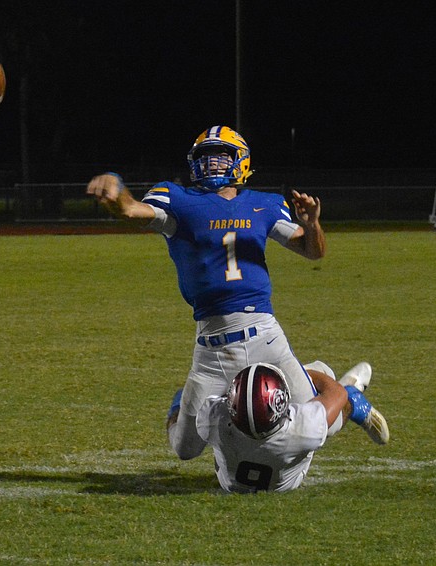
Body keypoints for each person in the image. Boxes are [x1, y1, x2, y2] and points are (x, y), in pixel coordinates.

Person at [86, 125, 327, 461]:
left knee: (319, 422)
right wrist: (115, 186)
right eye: (206, 157)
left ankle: (335, 387)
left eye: (221, 156)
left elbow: (313, 252)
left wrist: (312, 222)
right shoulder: (179, 201)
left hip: (266, 335)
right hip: (212, 346)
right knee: (184, 448)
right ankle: (182, 398)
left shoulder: (264, 204)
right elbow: (130, 209)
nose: (212, 163)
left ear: (241, 161)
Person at [195, 361, 389, 493]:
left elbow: (215, 403)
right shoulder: (304, 429)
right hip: (289, 481)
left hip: (231, 484)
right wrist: (304, 375)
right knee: (322, 374)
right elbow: (337, 393)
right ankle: (357, 404)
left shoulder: (214, 419)